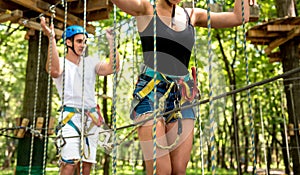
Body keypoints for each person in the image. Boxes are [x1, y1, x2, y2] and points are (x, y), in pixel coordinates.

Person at [110, 0, 255, 174]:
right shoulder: (145, 8)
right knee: (161, 171)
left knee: (179, 170)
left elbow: (239, 17)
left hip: (183, 95)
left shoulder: (192, 15)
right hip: (151, 93)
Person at [40, 17, 119, 175]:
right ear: (68, 43)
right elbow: (54, 71)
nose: (83, 45)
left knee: (86, 167)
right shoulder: (62, 63)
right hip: (70, 117)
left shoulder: (90, 63)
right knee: (69, 165)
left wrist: (112, 42)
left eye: (84, 41)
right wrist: (51, 37)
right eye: (79, 41)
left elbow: (113, 68)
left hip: (91, 118)